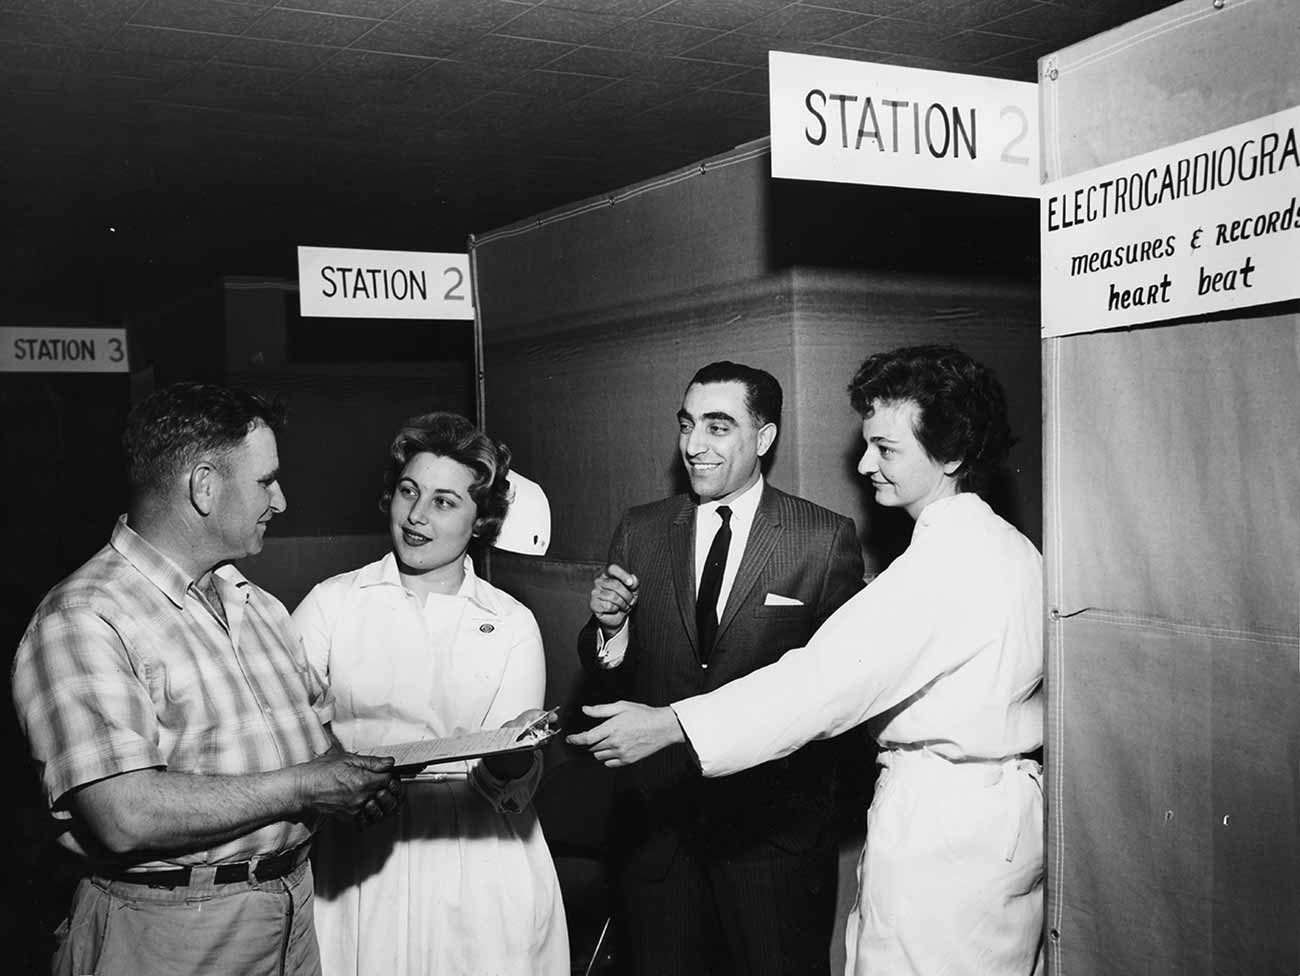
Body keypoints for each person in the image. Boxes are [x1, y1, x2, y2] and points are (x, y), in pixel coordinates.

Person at [571, 345, 1045, 976]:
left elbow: (819, 682)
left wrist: (670, 725)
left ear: (952, 455)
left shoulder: (942, 565)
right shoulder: (1008, 547)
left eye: (886, 448)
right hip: (987, 832)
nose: (865, 463)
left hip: (944, 839)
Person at [10, 381, 404, 976]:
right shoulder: (83, 618)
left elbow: (314, 751)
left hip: (291, 911)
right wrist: (304, 787)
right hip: (169, 931)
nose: (281, 502)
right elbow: (124, 814)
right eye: (265, 481)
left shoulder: (262, 608)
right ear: (202, 486)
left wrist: (354, 781)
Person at [578, 361, 865, 976]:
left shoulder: (821, 538)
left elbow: (842, 697)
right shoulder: (642, 529)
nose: (693, 445)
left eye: (718, 426)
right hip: (659, 843)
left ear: (763, 439)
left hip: (771, 848)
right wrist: (611, 630)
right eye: (687, 425)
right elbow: (608, 685)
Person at [292, 412, 568, 976]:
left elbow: (505, 780)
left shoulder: (511, 622)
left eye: (444, 502)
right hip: (357, 857)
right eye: (408, 492)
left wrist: (513, 757)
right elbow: (285, 728)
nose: (416, 516)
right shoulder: (332, 603)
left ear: (481, 520)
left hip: (474, 857)